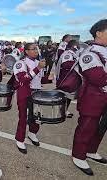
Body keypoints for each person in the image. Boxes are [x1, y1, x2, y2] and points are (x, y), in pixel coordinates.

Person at [71, 19, 107, 176]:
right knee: (87, 126)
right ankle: (78, 155)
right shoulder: (90, 53)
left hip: (103, 96)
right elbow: (98, 78)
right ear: (98, 33)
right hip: (93, 96)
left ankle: (91, 150)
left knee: (101, 126)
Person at [12, 43, 53, 154]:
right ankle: (20, 139)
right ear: (26, 51)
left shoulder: (37, 63)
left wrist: (48, 79)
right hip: (24, 93)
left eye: (37, 49)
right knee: (23, 117)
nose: (36, 51)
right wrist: (38, 68)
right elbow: (23, 79)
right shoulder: (20, 63)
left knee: (36, 116)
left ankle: (32, 133)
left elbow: (38, 79)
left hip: (37, 94)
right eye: (33, 49)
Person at [56, 40, 79, 118]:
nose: (78, 46)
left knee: (68, 96)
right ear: (74, 46)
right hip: (66, 79)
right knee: (66, 96)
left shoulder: (72, 53)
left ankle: (64, 110)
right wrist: (78, 63)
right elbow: (66, 64)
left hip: (69, 78)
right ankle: (62, 111)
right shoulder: (68, 54)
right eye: (77, 45)